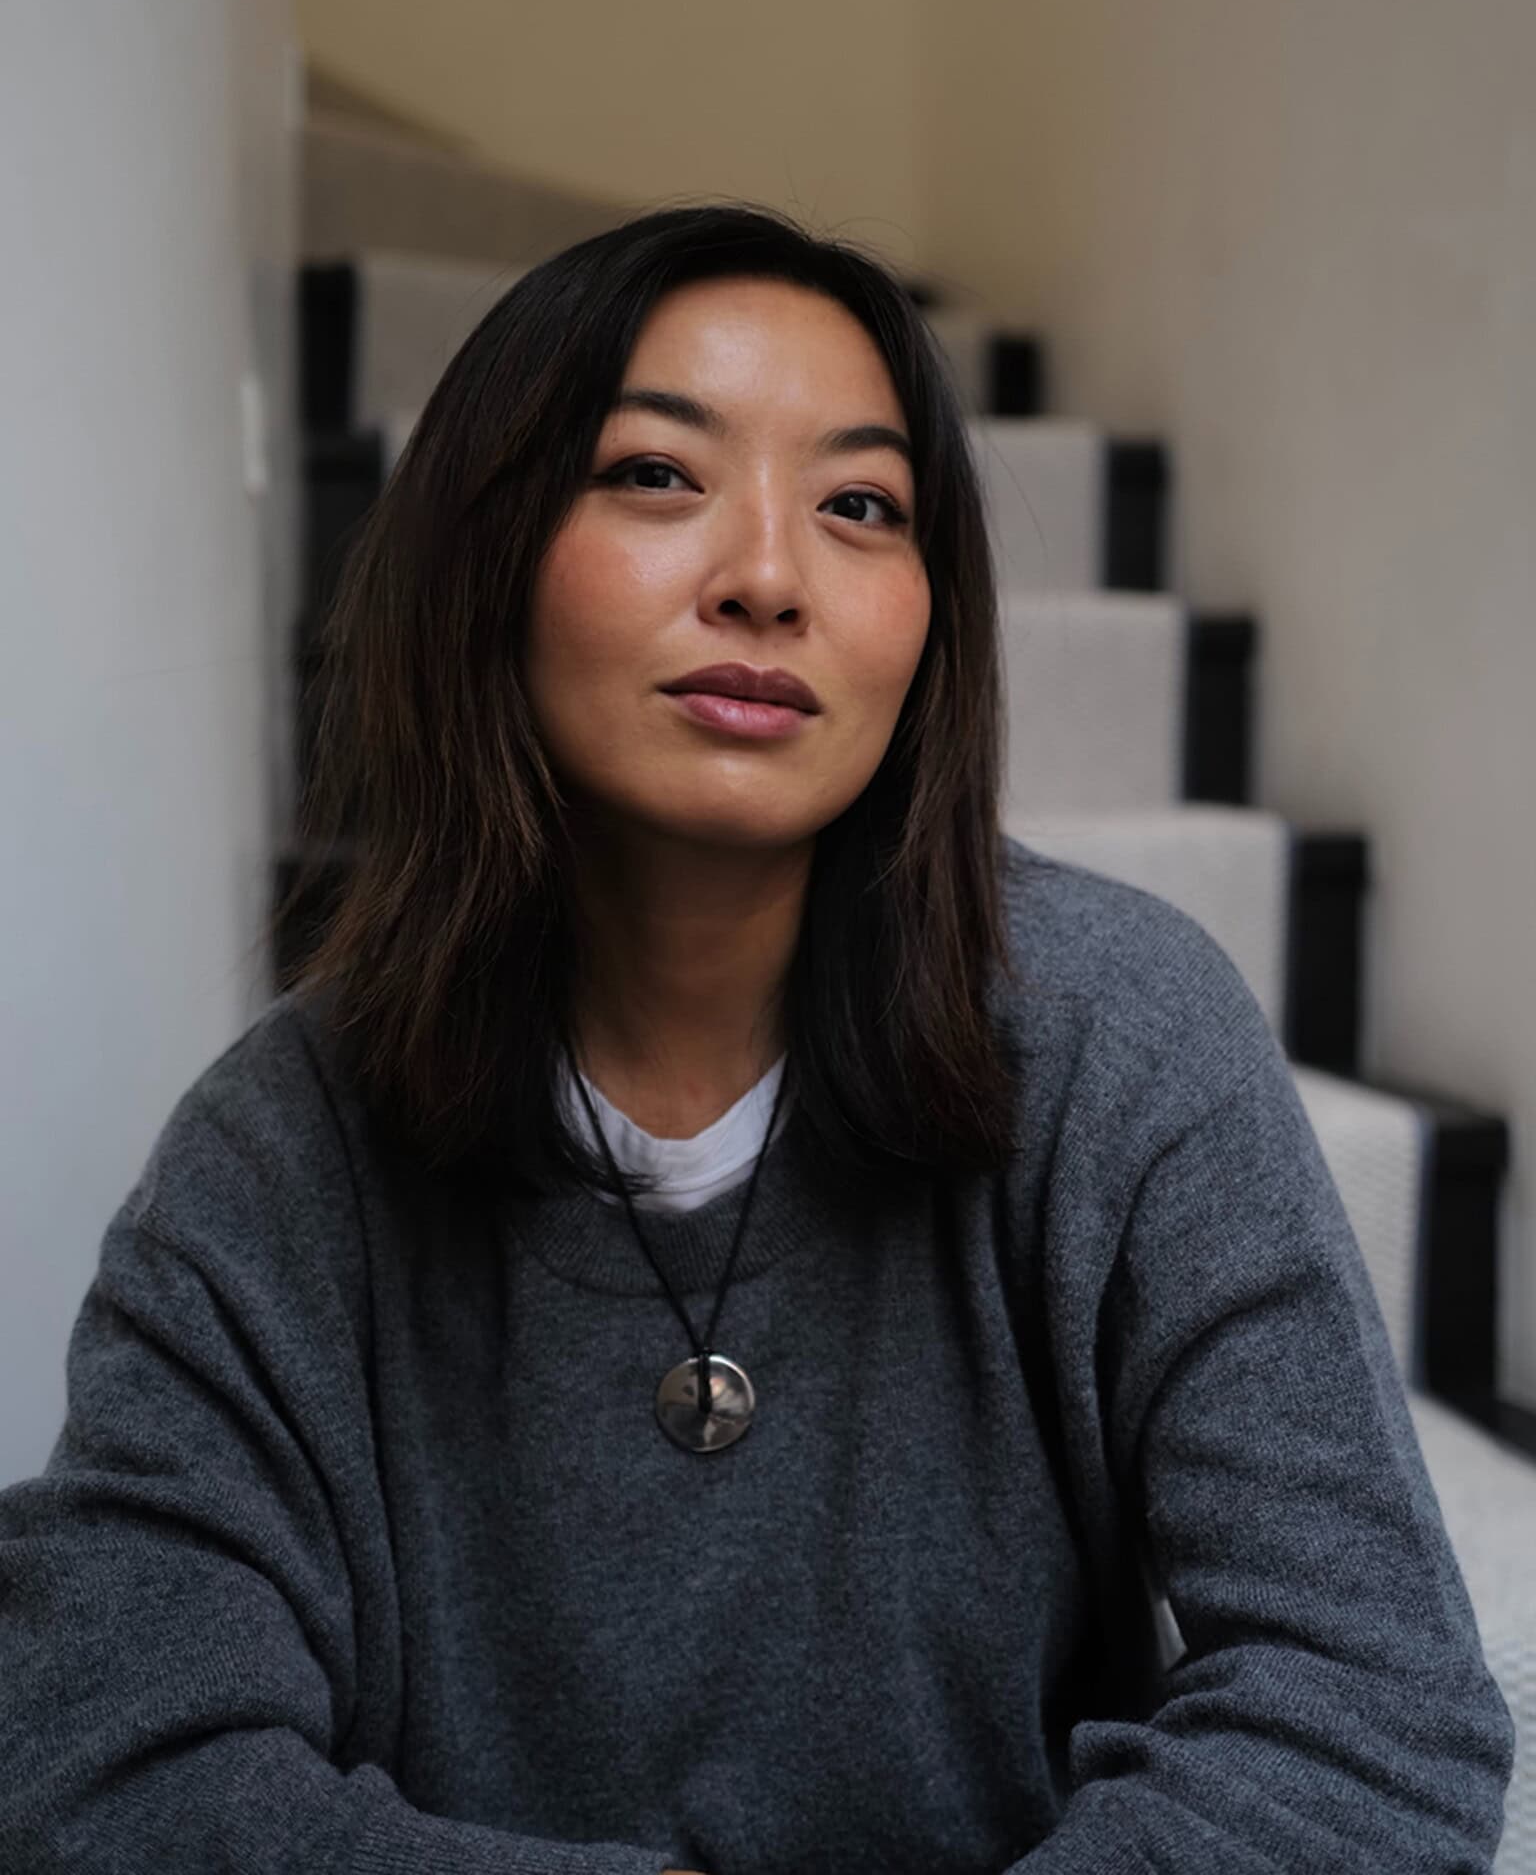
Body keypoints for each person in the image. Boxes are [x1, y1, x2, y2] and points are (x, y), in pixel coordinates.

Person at [0, 200, 1513, 1872]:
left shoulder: (1122, 1036)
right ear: (482, 553)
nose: (770, 578)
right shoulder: (281, 1148)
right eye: (659, 474)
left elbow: (1372, 1708)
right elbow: (108, 1767)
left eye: (863, 506)